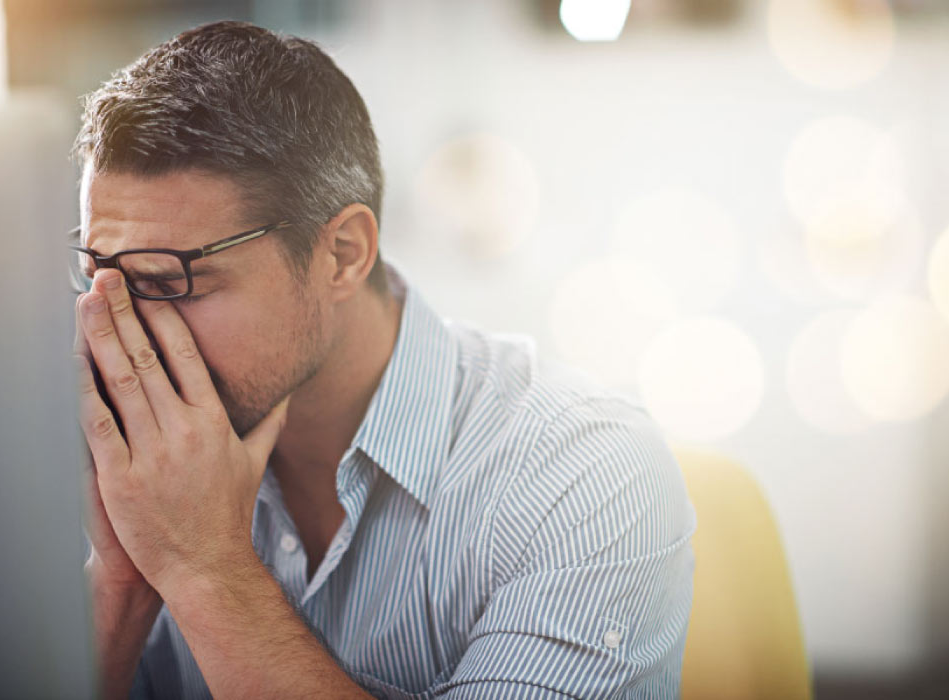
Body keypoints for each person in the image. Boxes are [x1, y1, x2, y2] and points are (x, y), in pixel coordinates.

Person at [71, 20, 695, 700]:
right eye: (98, 275)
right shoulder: (142, 478)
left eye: (169, 282)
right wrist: (125, 582)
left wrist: (206, 569)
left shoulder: (585, 476)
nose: (123, 331)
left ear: (342, 254)